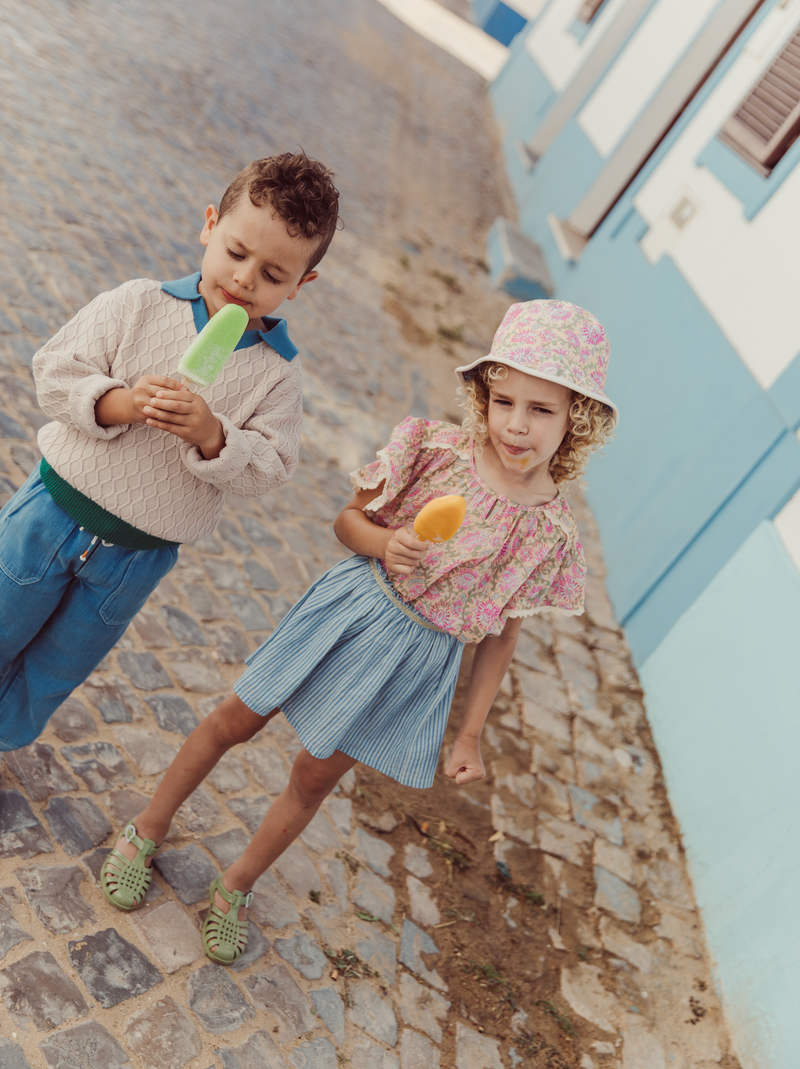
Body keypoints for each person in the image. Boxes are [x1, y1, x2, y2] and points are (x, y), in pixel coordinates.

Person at [102, 299, 618, 965]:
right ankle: (147, 828)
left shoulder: (549, 532)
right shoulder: (435, 452)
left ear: (576, 418)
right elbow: (347, 522)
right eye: (504, 400)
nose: (515, 424)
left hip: (418, 659)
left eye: (541, 409)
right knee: (237, 718)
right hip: (355, 608)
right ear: (484, 395)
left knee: (314, 777)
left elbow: (501, 635)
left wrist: (468, 732)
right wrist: (384, 541)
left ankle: (236, 885)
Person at [0, 152, 340, 751]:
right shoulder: (137, 303)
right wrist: (120, 403)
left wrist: (215, 435)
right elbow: (53, 371)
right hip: (50, 514)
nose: (243, 280)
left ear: (301, 284)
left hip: (136, 557)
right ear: (210, 225)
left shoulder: (277, 377)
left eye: (272, 274)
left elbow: (273, 466)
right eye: (236, 254)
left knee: (56, 669)